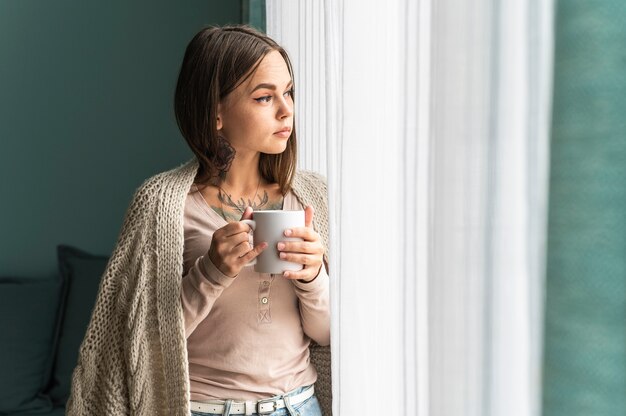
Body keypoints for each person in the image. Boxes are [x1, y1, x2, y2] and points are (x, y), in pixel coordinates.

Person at [66, 25, 331, 416]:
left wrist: (312, 277)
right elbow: (140, 347)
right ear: (216, 113)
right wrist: (211, 273)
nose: (286, 110)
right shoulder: (162, 204)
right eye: (264, 97)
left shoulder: (312, 196)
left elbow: (327, 336)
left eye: (288, 92)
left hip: (299, 406)